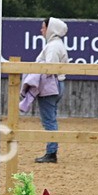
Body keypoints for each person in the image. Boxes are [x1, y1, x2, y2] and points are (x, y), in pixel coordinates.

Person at [34, 17, 69, 163]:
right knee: (51, 119)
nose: (42, 30)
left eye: (44, 27)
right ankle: (51, 151)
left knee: (49, 120)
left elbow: (49, 68)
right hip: (56, 84)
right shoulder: (56, 44)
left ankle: (51, 152)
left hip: (50, 85)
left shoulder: (53, 46)